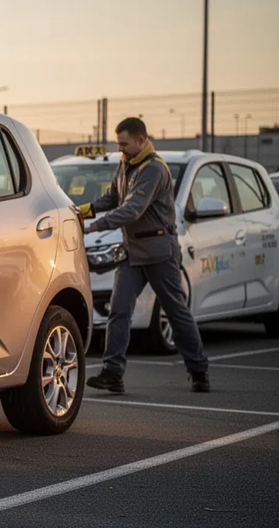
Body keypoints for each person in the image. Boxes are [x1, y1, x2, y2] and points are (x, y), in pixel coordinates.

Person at [80, 117, 211, 393]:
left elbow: (132, 209)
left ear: (141, 141)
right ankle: (112, 373)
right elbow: (111, 198)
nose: (120, 149)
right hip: (133, 252)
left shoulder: (154, 169)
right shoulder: (126, 164)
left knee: (176, 311)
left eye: (124, 144)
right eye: (118, 144)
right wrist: (82, 211)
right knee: (119, 310)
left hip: (160, 251)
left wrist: (94, 227)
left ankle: (198, 370)